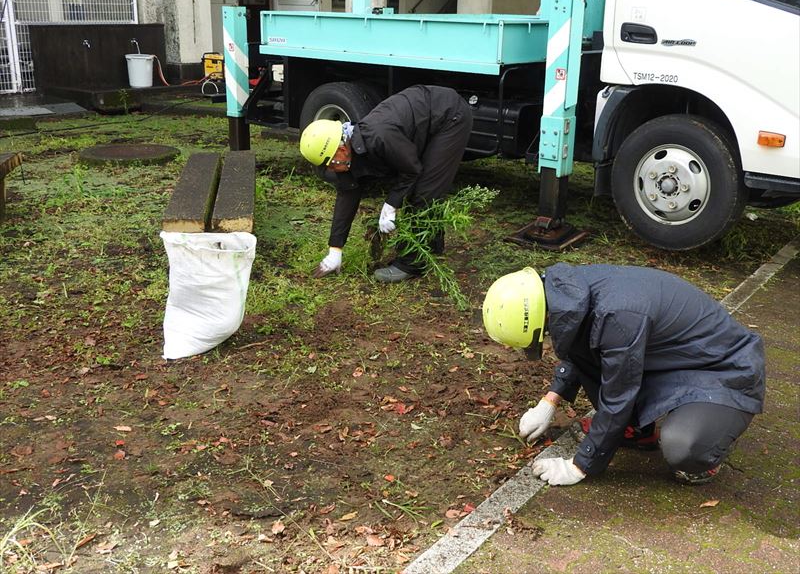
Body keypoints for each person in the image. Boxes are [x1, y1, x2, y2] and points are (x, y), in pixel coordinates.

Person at [482, 264, 765, 486]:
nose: (545, 339)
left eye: (541, 335)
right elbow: (579, 346)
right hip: (670, 359)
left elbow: (619, 395)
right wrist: (550, 401)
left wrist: (580, 465)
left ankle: (707, 451)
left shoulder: (617, 318)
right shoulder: (568, 292)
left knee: (682, 447)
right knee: (598, 360)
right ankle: (638, 432)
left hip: (723, 370)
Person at [299, 85, 472, 282]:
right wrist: (335, 250)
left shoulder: (378, 136)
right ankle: (431, 246)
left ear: (340, 148)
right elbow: (347, 193)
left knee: (425, 191)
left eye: (330, 163)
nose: (331, 169)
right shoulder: (348, 151)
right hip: (422, 122)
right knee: (423, 188)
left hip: (449, 116)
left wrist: (391, 204)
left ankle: (410, 265)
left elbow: (412, 169)